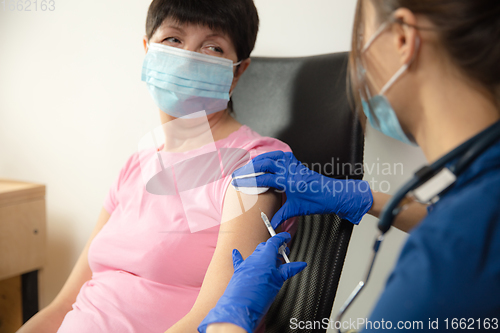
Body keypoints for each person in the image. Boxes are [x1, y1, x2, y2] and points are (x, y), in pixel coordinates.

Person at [199, 0, 500, 331]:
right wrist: (361, 196)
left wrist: (229, 321)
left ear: (402, 38)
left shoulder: (449, 254)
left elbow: (464, 234)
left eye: (361, 37)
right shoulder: (479, 201)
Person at [18, 1, 299, 332]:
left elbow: (215, 321)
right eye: (174, 40)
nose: (189, 58)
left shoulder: (255, 165)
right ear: (147, 49)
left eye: (213, 47)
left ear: (239, 70)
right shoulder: (137, 165)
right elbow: (63, 306)